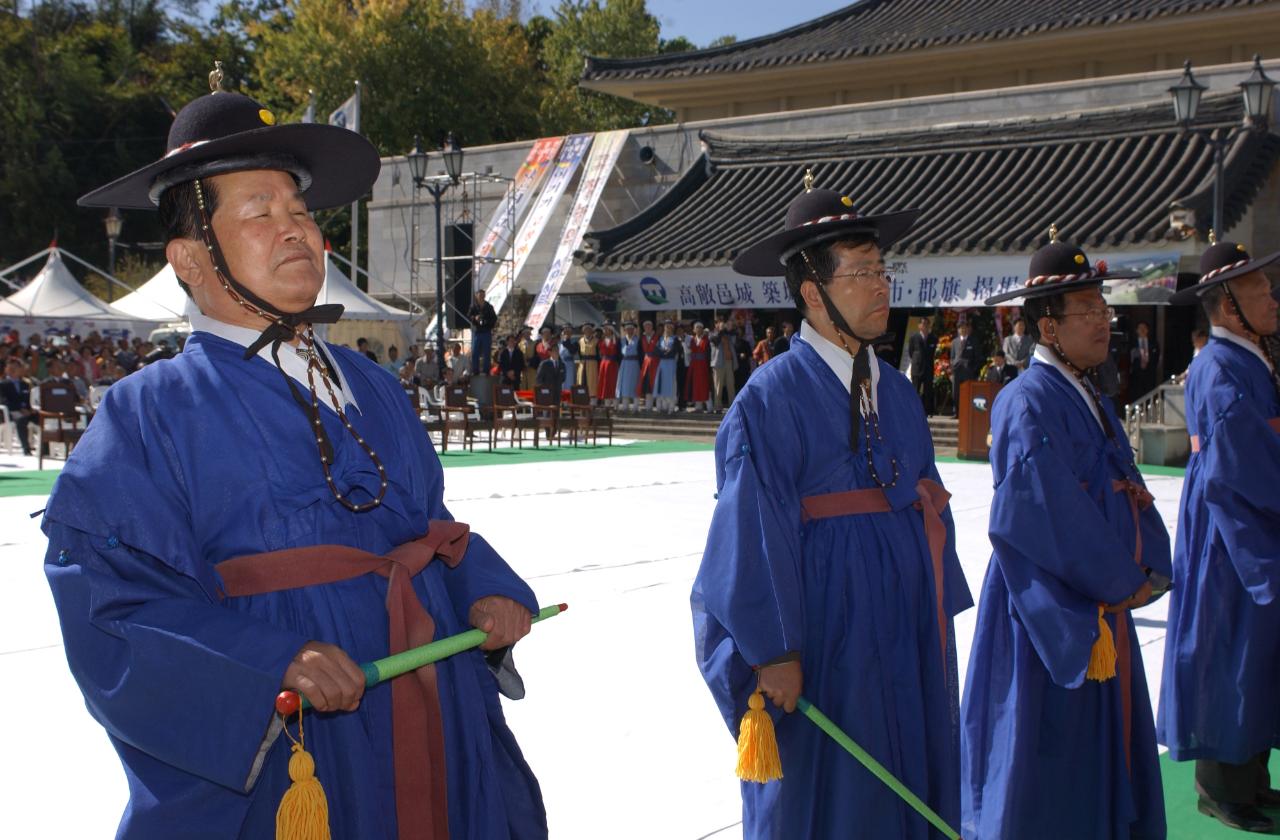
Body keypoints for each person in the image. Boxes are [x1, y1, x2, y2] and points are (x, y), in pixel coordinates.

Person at [44, 73, 546, 839]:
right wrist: (266, 661)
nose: (296, 230)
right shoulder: (148, 414)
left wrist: (484, 586)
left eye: (302, 210)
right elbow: (112, 604)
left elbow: (427, 526)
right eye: (260, 212)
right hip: (297, 747)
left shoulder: (373, 385)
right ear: (189, 256)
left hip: (429, 706)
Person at [693, 180, 971, 839]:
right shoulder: (769, 399)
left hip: (902, 631)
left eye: (883, 269)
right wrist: (773, 650)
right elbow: (748, 535)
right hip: (826, 637)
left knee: (907, 778)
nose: (882, 286)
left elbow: (925, 497)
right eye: (862, 273)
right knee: (835, 799)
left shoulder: (894, 390)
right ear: (813, 293)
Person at [963, 231, 1171, 839]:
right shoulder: (1026, 401)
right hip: (1050, 609)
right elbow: (1042, 516)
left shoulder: (1089, 392)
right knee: (1044, 758)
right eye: (1088, 311)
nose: (1104, 322)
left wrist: (1146, 566)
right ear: (1048, 328)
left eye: (1103, 308)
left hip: (1101, 597)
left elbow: (1125, 486)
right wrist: (1119, 580)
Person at [1158, 238, 1280, 833]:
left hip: (1250, 521)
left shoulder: (1246, 357)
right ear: (1228, 305)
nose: (1273, 298)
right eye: (1260, 289)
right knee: (1229, 653)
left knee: (1255, 657)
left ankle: (1251, 777)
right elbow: (1241, 467)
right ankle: (1221, 789)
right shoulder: (1220, 367)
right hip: (1234, 533)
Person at [1, 356, 34, 456]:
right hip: (12, 412)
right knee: (21, 420)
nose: (13, 370)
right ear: (6, 369)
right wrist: (20, 409)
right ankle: (26, 449)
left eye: (15, 367)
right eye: (10, 368)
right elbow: (3, 401)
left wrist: (31, 409)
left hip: (28, 412)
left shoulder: (26, 384)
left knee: (43, 419)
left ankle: (45, 449)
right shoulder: (3, 384)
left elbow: (30, 399)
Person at [908, 317, 937, 416]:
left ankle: (927, 411)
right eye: (923, 324)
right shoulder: (914, 337)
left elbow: (933, 353)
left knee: (928, 391)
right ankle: (914, 411)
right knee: (915, 390)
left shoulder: (933, 338)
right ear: (919, 326)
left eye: (926, 324)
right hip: (917, 367)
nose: (925, 326)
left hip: (928, 368)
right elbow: (911, 352)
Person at [950, 321, 979, 416]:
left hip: (968, 371)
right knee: (955, 392)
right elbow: (952, 357)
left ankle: (966, 412)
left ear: (968, 329)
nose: (963, 330)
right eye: (961, 328)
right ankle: (956, 411)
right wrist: (952, 369)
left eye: (965, 328)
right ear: (958, 330)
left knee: (967, 392)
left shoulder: (973, 341)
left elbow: (977, 357)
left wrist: (973, 369)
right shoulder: (954, 341)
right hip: (957, 371)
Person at [468, 289, 497, 376]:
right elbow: (468, 316)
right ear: (476, 296)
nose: (481, 297)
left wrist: (487, 323)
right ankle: (475, 370)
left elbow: (494, 318)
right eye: (479, 295)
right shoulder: (473, 307)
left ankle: (486, 370)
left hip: (486, 332)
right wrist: (475, 318)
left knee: (486, 352)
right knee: (475, 352)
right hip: (477, 332)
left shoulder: (489, 307)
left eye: (482, 295)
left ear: (484, 296)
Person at [1128, 321, 1160, 400]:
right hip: (1136, 374)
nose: (1142, 330)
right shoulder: (1132, 343)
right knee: (1136, 395)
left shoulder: (1153, 343)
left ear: (1148, 330)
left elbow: (1157, 357)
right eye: (1140, 328)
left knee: (1149, 394)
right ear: (1136, 330)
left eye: (1144, 328)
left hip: (1149, 373)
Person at [710, 320, 737, 411]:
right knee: (718, 386)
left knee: (730, 385)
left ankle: (732, 405)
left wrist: (728, 328)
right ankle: (717, 406)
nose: (722, 326)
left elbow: (734, 337)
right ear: (716, 325)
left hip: (729, 362)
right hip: (718, 363)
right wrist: (720, 331)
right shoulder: (713, 335)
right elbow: (716, 342)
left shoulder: (728, 335)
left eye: (723, 324)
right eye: (720, 324)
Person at [653, 320, 679, 414]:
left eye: (670, 327)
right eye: (666, 327)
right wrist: (665, 352)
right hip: (662, 364)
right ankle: (661, 406)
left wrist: (664, 352)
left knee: (671, 385)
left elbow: (674, 351)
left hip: (671, 364)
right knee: (661, 384)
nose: (668, 329)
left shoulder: (675, 339)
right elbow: (656, 350)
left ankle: (671, 407)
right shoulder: (660, 339)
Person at [686, 322, 712, 412]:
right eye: (696, 328)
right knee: (695, 385)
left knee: (705, 385)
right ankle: (698, 407)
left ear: (702, 329)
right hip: (694, 365)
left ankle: (709, 407)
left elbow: (709, 354)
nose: (698, 329)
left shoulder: (707, 340)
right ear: (694, 330)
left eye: (700, 328)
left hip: (703, 365)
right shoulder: (692, 340)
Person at [617, 322, 642, 413]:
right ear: (625, 330)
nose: (629, 330)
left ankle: (635, 407)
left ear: (634, 330)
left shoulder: (638, 340)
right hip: (624, 364)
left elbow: (641, 354)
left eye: (631, 329)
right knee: (625, 386)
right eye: (627, 329)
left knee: (635, 385)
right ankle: (625, 406)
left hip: (635, 364)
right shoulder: (622, 340)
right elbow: (619, 354)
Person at [596, 323, 620, 408]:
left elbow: (618, 353)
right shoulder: (601, 341)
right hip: (604, 364)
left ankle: (615, 404)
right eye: (604, 329)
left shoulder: (616, 340)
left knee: (613, 383)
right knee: (604, 384)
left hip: (612, 365)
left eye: (607, 329)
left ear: (611, 330)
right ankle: (606, 403)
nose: (605, 331)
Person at [638, 320, 659, 410]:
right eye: (645, 327)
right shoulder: (642, 338)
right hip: (646, 363)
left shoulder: (658, 337)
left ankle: (659, 405)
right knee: (647, 384)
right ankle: (648, 406)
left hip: (656, 362)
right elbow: (640, 352)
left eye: (649, 326)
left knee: (656, 383)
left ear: (652, 327)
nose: (647, 328)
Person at [576, 323, 599, 401]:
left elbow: (598, 355)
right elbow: (579, 353)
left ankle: (593, 402)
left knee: (592, 383)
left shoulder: (596, 341)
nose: (587, 331)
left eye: (589, 329)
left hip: (592, 364)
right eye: (585, 330)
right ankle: (583, 401)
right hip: (583, 364)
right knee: (582, 381)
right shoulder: (580, 341)